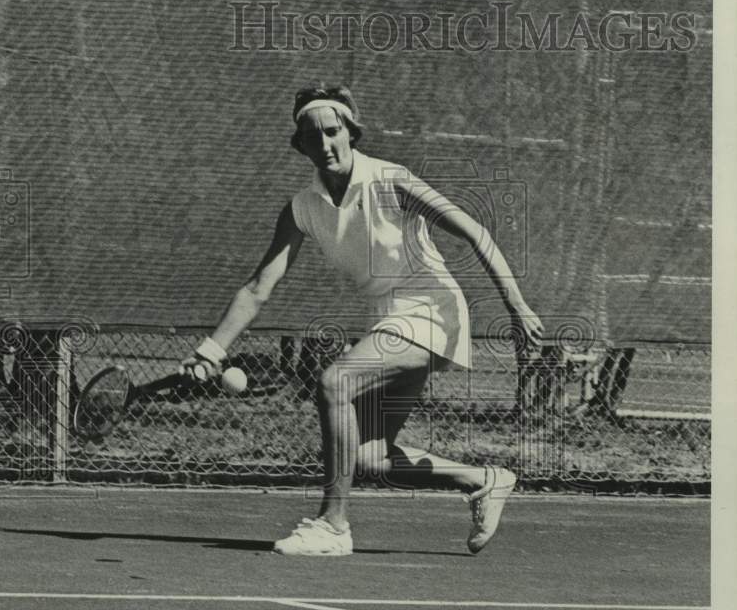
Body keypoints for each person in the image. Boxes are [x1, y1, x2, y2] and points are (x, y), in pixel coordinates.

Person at [182, 84, 543, 556]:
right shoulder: (302, 208)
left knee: (336, 383)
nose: (326, 144)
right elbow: (257, 288)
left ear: (351, 133)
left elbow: (474, 231)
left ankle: (333, 525)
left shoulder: (391, 180)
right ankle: (485, 479)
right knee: (371, 457)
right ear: (301, 146)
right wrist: (212, 349)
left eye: (333, 132)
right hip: (388, 317)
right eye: (313, 137)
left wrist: (517, 305)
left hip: (431, 310)